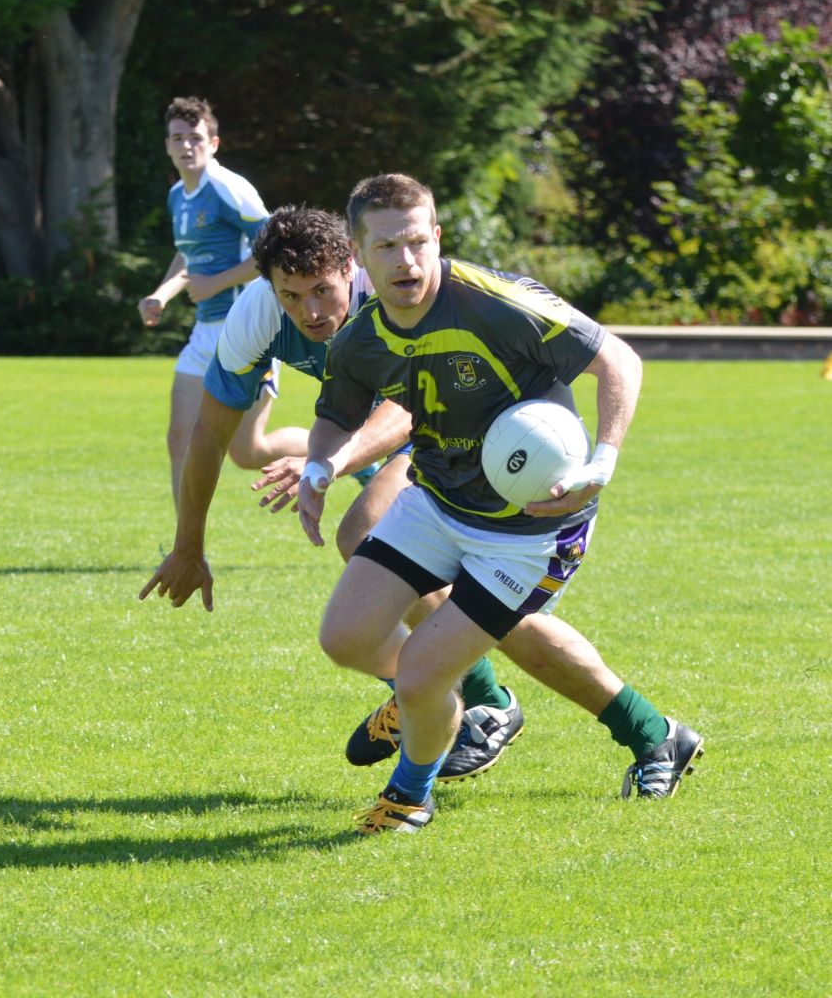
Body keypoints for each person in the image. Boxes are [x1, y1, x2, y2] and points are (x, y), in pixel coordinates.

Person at [298, 173, 704, 835]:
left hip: (532, 530)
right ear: (356, 256)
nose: (405, 261)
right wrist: (320, 464)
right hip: (436, 503)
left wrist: (602, 460)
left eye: (416, 242)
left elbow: (618, 360)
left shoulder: (495, 303)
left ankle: (410, 795)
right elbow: (334, 415)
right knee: (344, 636)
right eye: (387, 248)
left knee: (426, 671)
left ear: (436, 238)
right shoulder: (360, 339)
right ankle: (444, 705)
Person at [138, 204, 525, 781]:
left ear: (350, 266)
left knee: (368, 539)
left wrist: (326, 464)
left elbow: (411, 404)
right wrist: (187, 545)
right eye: (291, 296)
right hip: (372, 429)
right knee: (410, 579)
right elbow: (209, 433)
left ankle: (480, 704)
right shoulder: (256, 315)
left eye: (320, 290)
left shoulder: (388, 287)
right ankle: (639, 730)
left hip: (458, 420)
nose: (310, 312)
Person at [138, 97, 307, 505]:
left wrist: (214, 284)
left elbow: (276, 245)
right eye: (178, 138)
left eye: (195, 137)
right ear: (167, 145)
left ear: (213, 143)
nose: (186, 145)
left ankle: (348, 449)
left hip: (249, 329)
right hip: (205, 332)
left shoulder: (227, 188)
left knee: (247, 452)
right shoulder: (179, 194)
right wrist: (160, 294)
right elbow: (188, 256)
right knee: (180, 436)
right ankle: (186, 549)